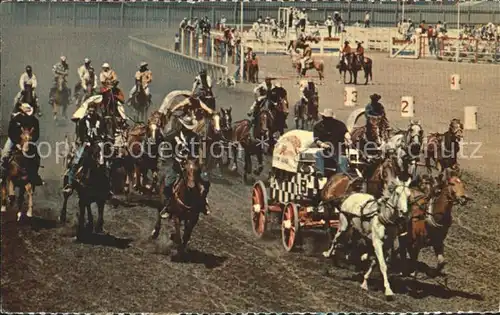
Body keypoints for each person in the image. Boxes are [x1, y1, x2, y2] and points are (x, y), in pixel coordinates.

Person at [159, 115, 210, 218]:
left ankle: (203, 203)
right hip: (177, 165)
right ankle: (168, 206)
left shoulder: (195, 137)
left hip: (191, 164)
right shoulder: (173, 135)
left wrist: (193, 159)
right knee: (168, 183)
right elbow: (167, 148)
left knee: (205, 181)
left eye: (189, 127)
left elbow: (196, 151)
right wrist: (175, 156)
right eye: (186, 126)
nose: (188, 129)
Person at [63, 102, 106, 194]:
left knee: (105, 162)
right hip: (85, 144)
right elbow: (80, 134)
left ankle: (107, 187)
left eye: (93, 110)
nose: (91, 112)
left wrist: (100, 138)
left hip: (97, 143)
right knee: (76, 161)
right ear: (88, 110)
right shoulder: (82, 121)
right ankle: (70, 185)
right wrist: (85, 140)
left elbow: (103, 131)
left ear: (95, 110)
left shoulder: (100, 120)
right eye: (90, 110)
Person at [1, 103, 43, 186]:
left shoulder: (35, 121)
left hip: (28, 142)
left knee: (36, 156)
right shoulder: (15, 119)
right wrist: (16, 143)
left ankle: (35, 175)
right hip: (14, 140)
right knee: (4, 154)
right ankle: (2, 175)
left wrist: (31, 139)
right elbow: (11, 132)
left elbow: (36, 135)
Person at [312, 108, 351, 177]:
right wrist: (322, 144)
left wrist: (348, 138)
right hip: (326, 151)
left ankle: (341, 176)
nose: (328, 120)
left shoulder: (340, 124)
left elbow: (346, 133)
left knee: (343, 159)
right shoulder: (318, 126)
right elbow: (316, 139)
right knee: (318, 154)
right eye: (326, 118)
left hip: (339, 151)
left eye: (329, 119)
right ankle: (320, 173)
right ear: (323, 117)